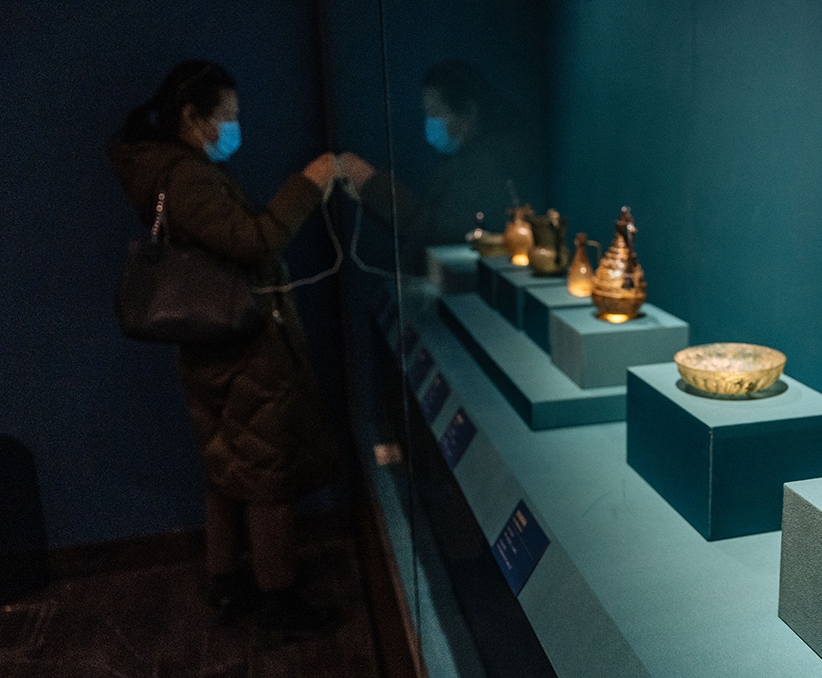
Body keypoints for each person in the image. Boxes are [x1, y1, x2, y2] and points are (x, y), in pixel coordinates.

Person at [110, 60, 369, 637]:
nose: (234, 125)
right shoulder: (187, 178)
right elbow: (254, 242)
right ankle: (279, 601)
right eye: (226, 116)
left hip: (209, 348)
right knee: (267, 473)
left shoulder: (170, 171)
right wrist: (310, 182)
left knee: (226, 467)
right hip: (240, 350)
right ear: (192, 117)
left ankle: (226, 580)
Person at [354, 58, 547, 274]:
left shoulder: (488, 163)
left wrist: (370, 183)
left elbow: (442, 233)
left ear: (468, 111)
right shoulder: (467, 157)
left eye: (436, 112)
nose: (430, 122)